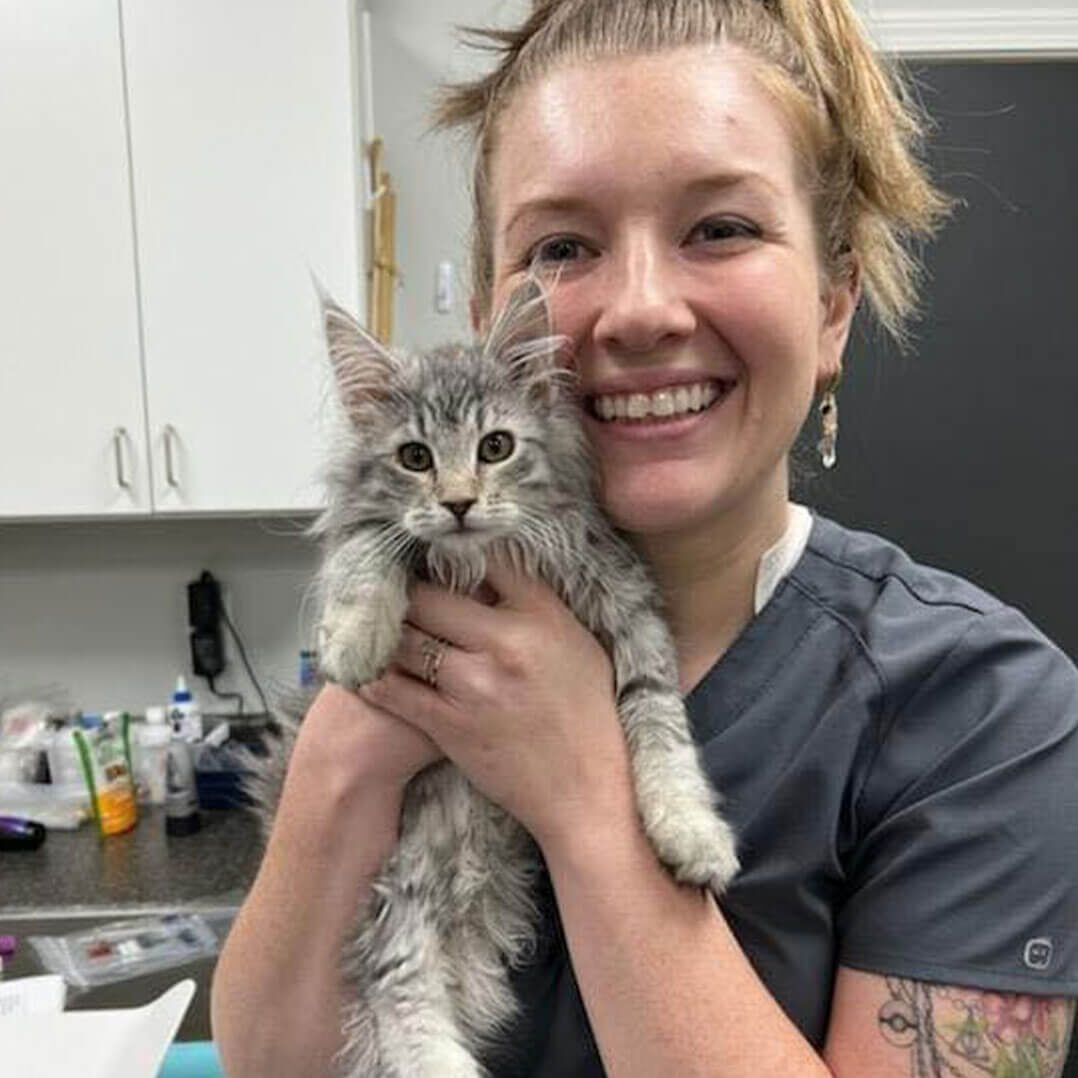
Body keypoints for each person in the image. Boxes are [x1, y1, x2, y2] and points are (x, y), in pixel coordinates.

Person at [211, 1, 1078, 1075]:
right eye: (562, 245)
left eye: (720, 228)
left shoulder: (985, 715)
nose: (636, 311)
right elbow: (268, 1061)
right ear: (495, 320)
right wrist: (347, 751)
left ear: (833, 302)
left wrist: (582, 793)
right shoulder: (409, 601)